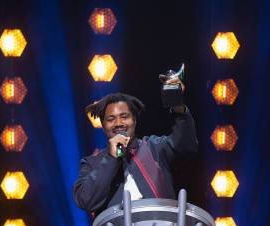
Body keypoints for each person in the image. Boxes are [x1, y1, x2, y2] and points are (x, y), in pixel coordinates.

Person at [73, 81, 198, 217]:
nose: (118, 123)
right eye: (111, 119)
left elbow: (186, 145)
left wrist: (178, 107)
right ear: (103, 126)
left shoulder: (154, 147)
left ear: (134, 121)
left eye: (124, 117)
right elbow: (85, 200)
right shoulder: (92, 163)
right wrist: (111, 158)